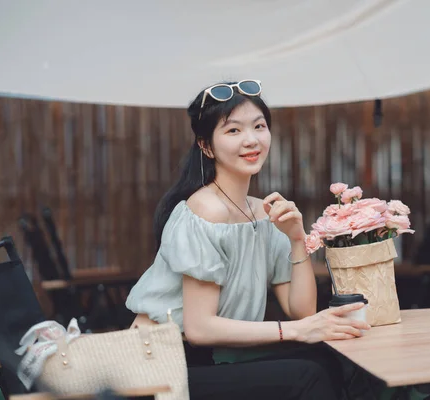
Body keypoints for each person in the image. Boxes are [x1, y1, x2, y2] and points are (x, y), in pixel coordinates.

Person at [125, 80, 370, 399]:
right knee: (306, 376)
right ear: (206, 146)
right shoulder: (207, 210)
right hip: (159, 365)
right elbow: (199, 330)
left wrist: (297, 240)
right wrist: (296, 331)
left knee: (333, 360)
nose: (251, 140)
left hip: (214, 360)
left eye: (259, 126)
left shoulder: (263, 214)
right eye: (233, 131)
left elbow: (303, 313)